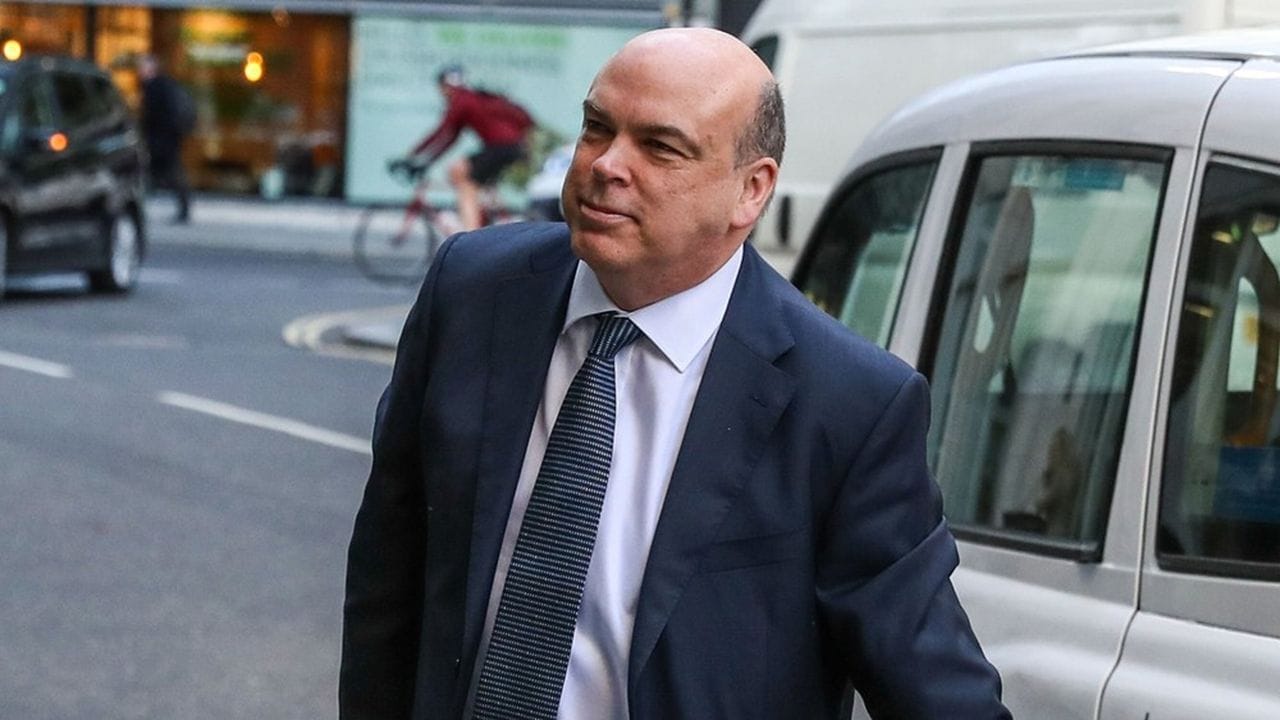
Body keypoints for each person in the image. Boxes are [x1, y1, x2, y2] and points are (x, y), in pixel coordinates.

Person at [341, 27, 1011, 720]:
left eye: (660, 147)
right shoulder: (471, 292)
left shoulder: (849, 402)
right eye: (597, 127)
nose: (607, 164)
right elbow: (387, 576)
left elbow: (933, 685)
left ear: (751, 191)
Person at [398, 65, 533, 232]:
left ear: (445, 86)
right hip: (515, 147)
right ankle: (482, 213)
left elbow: (442, 132)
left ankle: (470, 231)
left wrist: (414, 153)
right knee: (468, 176)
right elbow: (450, 139)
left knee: (460, 176)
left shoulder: (461, 101)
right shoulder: (474, 97)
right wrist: (428, 160)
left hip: (500, 148)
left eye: (441, 89)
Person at [136, 54, 193, 223]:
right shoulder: (164, 85)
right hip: (166, 137)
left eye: (143, 67)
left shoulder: (155, 87)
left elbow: (153, 115)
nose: (140, 71)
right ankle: (180, 208)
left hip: (161, 138)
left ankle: (181, 208)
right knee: (159, 172)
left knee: (165, 172)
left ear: (151, 68)